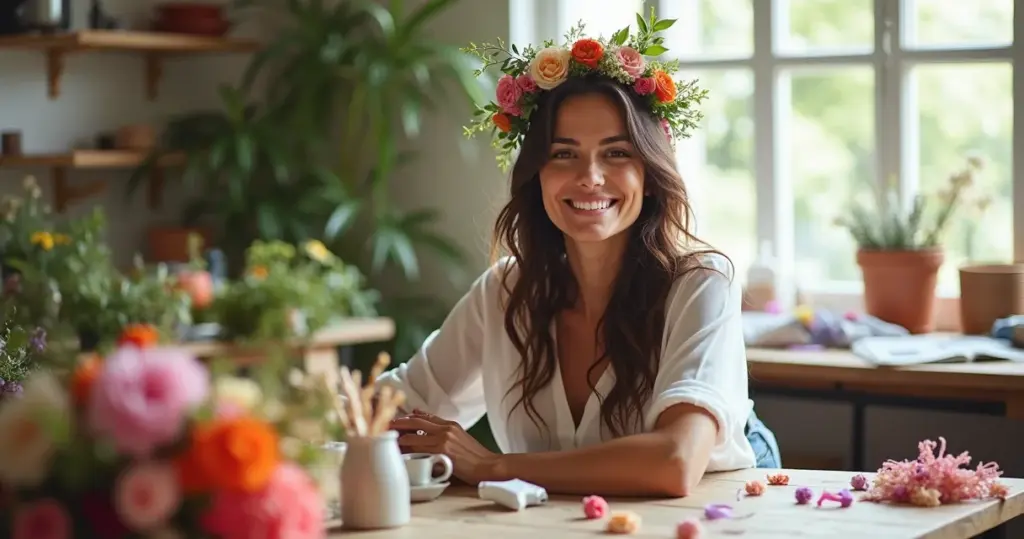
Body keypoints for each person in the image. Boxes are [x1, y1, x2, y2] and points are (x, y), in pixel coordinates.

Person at [379, 15, 780, 497]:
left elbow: (674, 462)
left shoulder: (701, 281)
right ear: (538, 175)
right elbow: (397, 407)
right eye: (564, 154)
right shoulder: (505, 290)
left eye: (616, 154)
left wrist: (491, 465)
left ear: (649, 174)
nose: (590, 177)